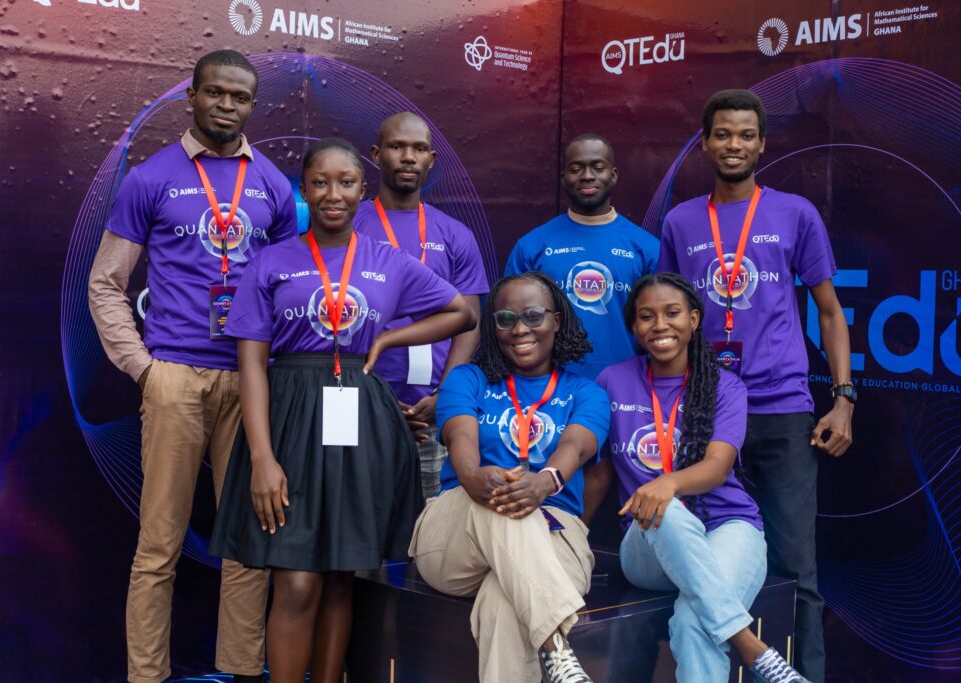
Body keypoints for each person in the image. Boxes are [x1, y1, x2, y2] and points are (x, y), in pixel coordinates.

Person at [209, 137, 476, 683]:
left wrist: (389, 339)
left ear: (361, 189)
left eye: (346, 182)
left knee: (340, 577)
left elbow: (461, 313)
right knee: (296, 581)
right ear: (304, 191)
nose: (334, 194)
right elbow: (251, 366)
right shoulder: (269, 262)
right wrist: (262, 458)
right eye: (320, 183)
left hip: (361, 417)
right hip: (289, 419)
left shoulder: (388, 261)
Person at [87, 49, 297, 683]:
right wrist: (144, 369)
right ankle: (146, 676)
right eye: (215, 93)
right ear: (193, 97)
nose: (226, 105)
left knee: (249, 543)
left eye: (239, 97)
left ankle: (241, 671)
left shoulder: (273, 185)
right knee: (159, 547)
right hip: (174, 376)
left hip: (252, 381)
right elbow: (105, 283)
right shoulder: (150, 179)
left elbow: (289, 285)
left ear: (252, 105)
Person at [657, 89, 855, 680]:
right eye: (722, 134)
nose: (734, 145)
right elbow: (667, 315)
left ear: (762, 143)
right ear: (705, 142)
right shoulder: (680, 221)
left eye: (746, 135)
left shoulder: (795, 213)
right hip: (705, 412)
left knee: (796, 568)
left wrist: (843, 399)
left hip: (780, 411)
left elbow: (830, 312)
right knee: (704, 555)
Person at [586, 273, 810, 683]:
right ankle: (751, 647)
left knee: (693, 623)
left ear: (693, 320)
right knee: (665, 509)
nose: (660, 325)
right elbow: (598, 471)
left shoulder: (726, 386)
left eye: (672, 313)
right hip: (648, 544)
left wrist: (668, 482)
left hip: (727, 527)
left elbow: (717, 466)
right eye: (646, 316)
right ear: (633, 326)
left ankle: (736, 640)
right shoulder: (613, 381)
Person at [409, 271, 610, 683]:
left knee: (504, 600)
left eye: (533, 316)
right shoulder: (467, 379)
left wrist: (543, 483)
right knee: (501, 498)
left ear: (557, 320)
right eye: (505, 319)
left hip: (554, 534)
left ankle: (557, 661)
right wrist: (472, 476)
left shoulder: (586, 392)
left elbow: (575, 448)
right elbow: (460, 436)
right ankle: (558, 651)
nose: (519, 329)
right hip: (456, 532)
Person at [354, 111, 489, 497]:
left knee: (432, 524)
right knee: (363, 521)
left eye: (419, 149)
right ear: (376, 155)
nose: (408, 157)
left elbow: (470, 322)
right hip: (365, 404)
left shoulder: (455, 234)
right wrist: (372, 396)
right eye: (397, 147)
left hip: (432, 411)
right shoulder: (351, 227)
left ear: (431, 159)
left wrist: (444, 395)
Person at [504, 134, 659, 380]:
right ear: (563, 178)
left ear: (613, 175)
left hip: (627, 387)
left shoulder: (647, 248)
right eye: (576, 169)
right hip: (551, 388)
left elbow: (659, 327)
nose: (587, 176)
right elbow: (508, 323)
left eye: (598, 167)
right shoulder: (531, 247)